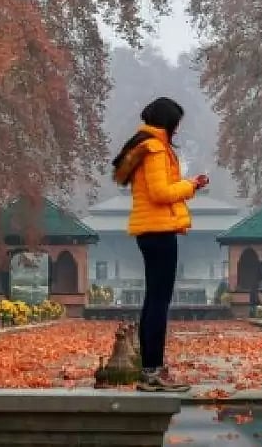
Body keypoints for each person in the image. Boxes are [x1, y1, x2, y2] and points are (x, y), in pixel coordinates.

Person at [111, 97, 208, 392]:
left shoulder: (150, 146)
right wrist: (192, 185)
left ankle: (151, 369)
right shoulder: (154, 149)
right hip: (158, 230)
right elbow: (160, 192)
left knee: (154, 300)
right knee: (158, 302)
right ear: (168, 122)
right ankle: (152, 371)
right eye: (176, 123)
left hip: (152, 230)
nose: (177, 129)